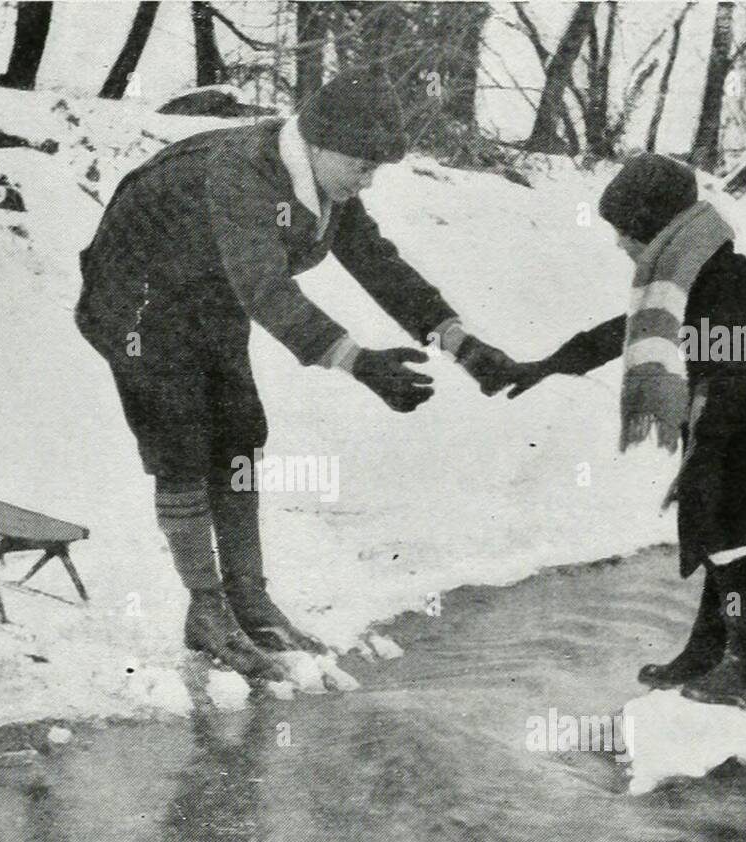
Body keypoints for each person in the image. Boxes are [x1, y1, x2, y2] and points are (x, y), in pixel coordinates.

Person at [76, 74, 512, 679]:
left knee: (240, 431)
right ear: (319, 143)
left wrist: (463, 346)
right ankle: (207, 612)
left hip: (207, 291)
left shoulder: (327, 183)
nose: (368, 180)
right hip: (136, 297)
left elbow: (378, 265)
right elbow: (265, 288)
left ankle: (249, 599)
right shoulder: (240, 171)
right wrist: (358, 362)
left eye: (375, 169)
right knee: (182, 440)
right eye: (362, 165)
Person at [485, 153, 746, 704]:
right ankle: (712, 648)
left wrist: (704, 458)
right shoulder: (701, 275)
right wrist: (550, 363)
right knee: (719, 518)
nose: (620, 245)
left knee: (722, 515)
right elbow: (632, 331)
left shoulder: (725, 288)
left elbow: (729, 382)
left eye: (624, 232)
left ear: (651, 229)